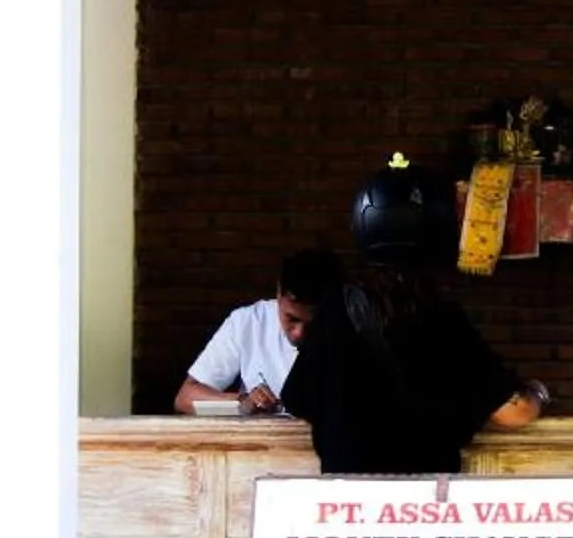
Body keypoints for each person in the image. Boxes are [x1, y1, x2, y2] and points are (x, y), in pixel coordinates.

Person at [281, 157, 545, 471]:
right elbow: (515, 412)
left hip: (346, 498)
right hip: (422, 498)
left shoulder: (336, 310)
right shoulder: (443, 321)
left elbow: (298, 400)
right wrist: (538, 393)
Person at [174, 247, 338, 416]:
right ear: (278, 292)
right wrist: (243, 402)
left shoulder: (349, 329)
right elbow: (185, 398)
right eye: (291, 318)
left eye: (314, 323)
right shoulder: (248, 323)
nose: (299, 333)